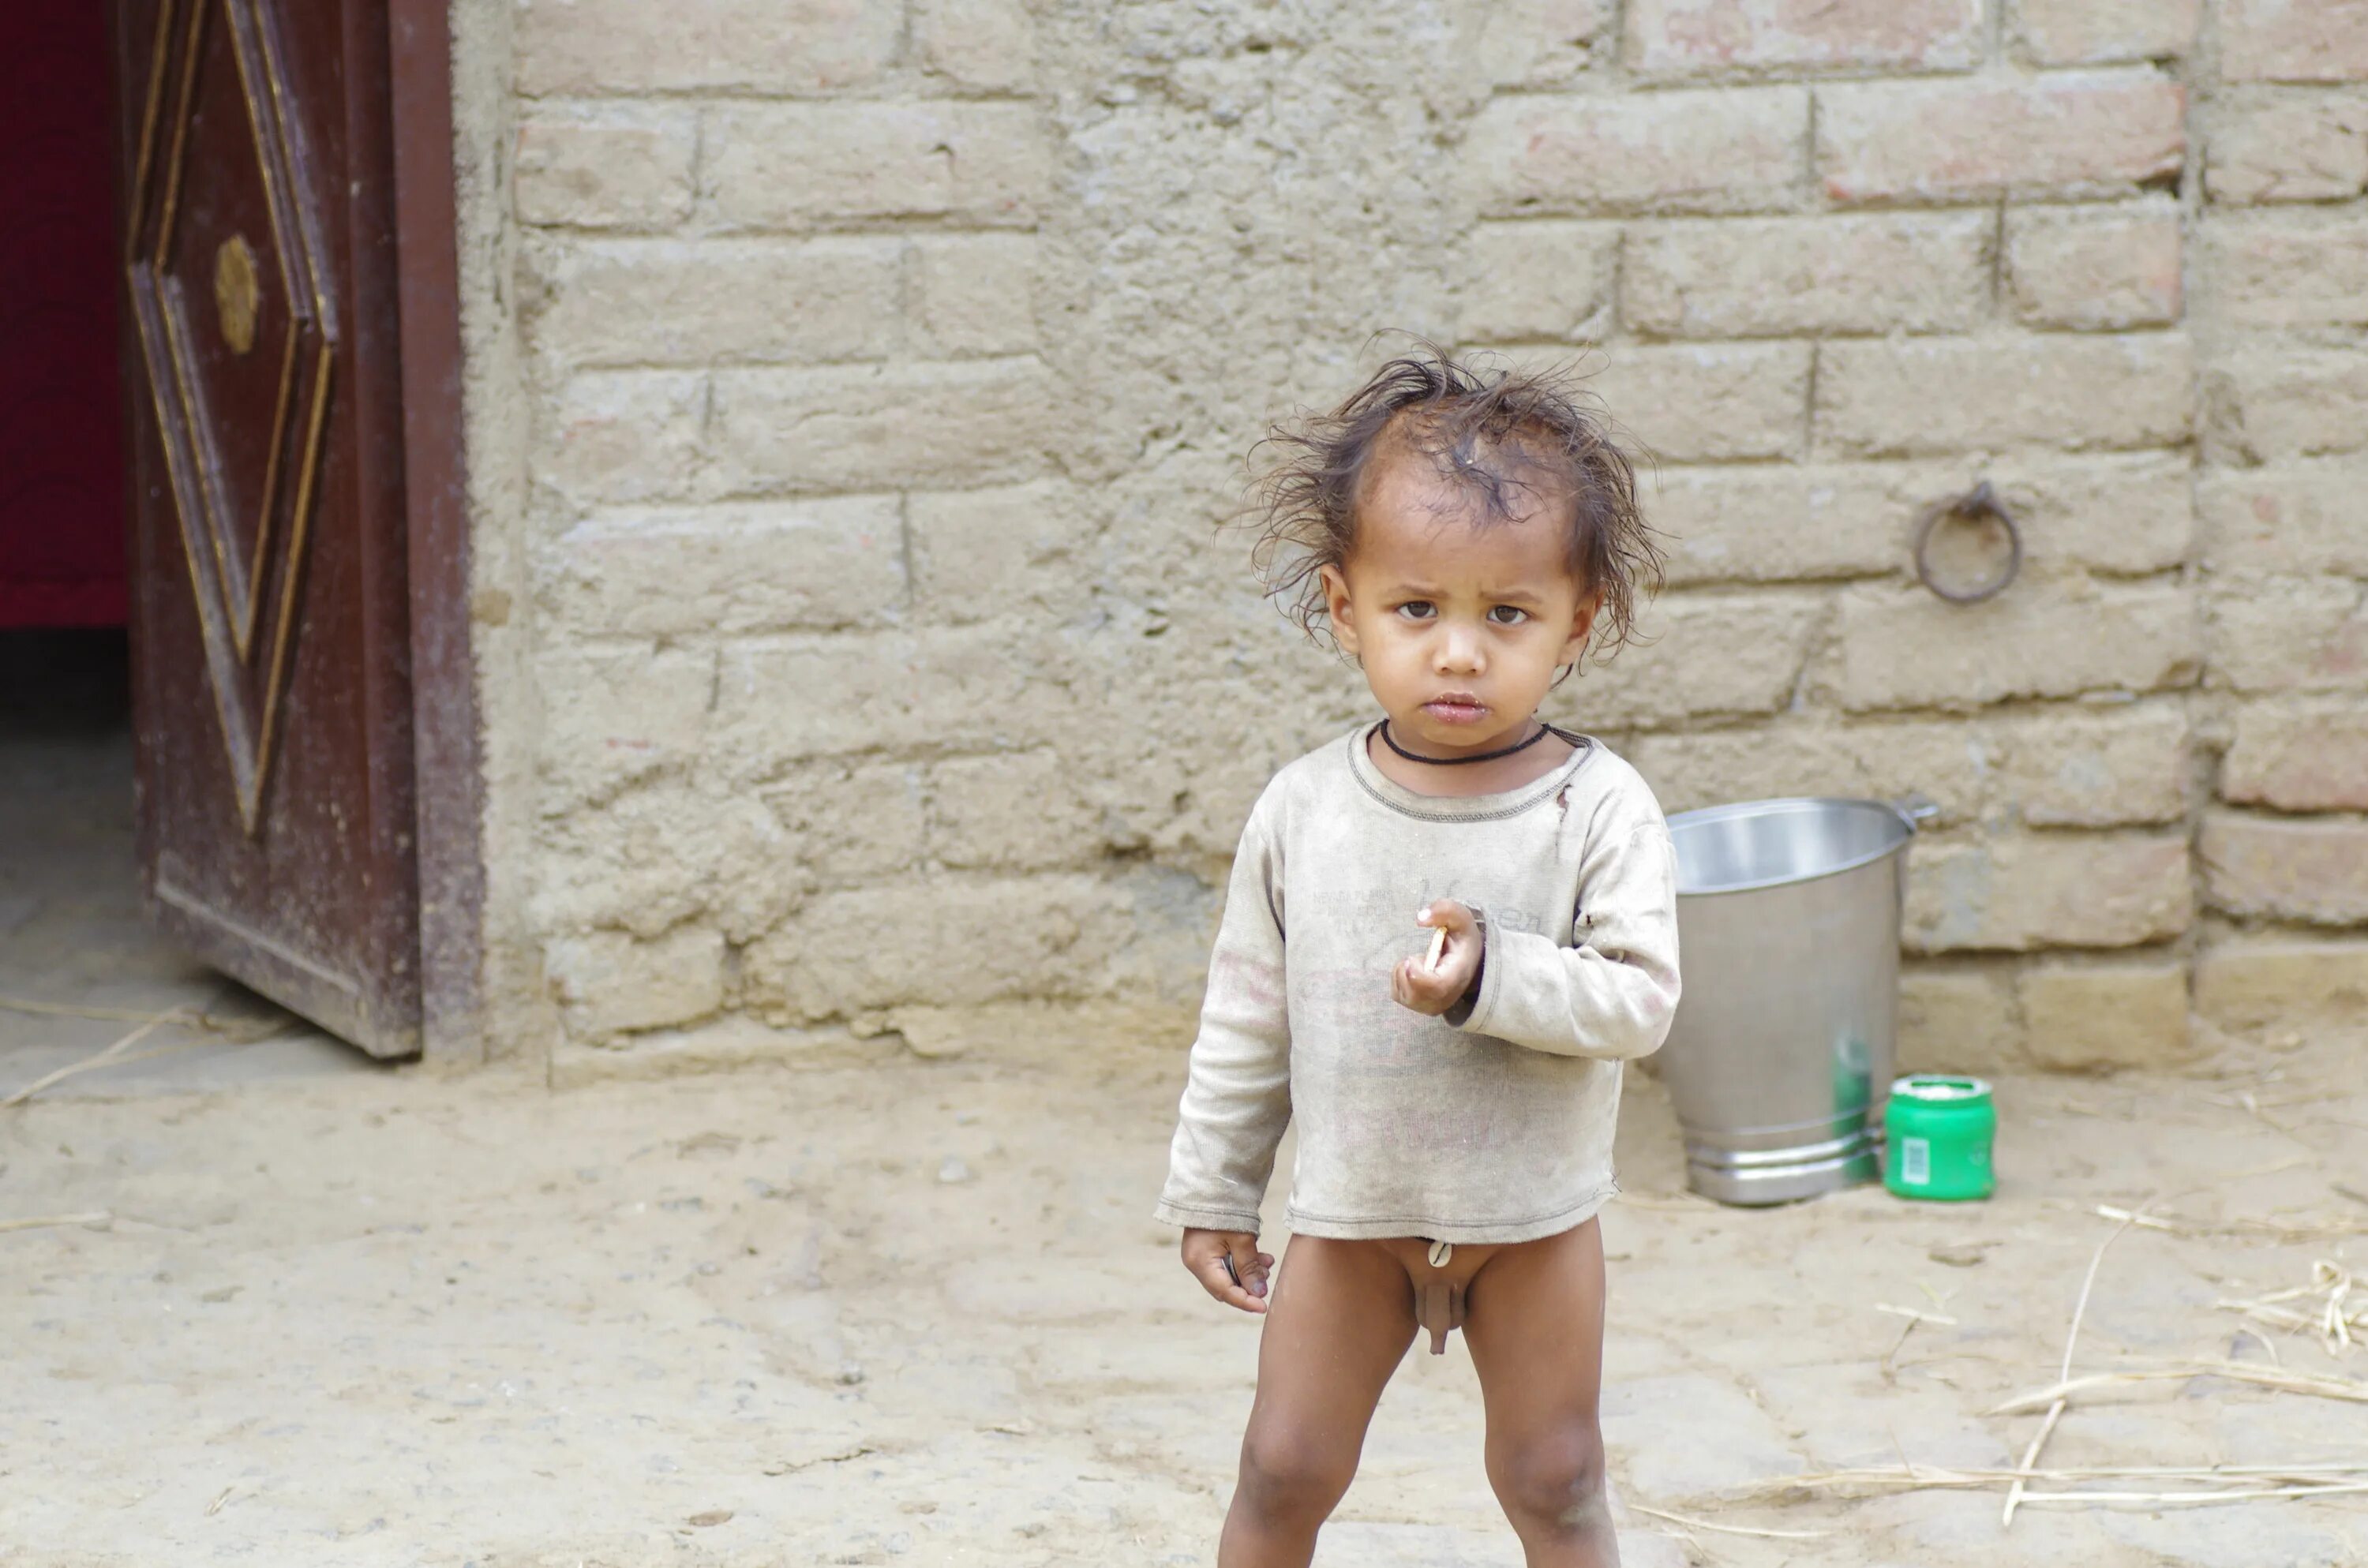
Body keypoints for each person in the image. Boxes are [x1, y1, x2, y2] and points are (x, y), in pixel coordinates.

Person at [1152, 348, 1681, 1567]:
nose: (1458, 653)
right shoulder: (1303, 811)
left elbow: (1640, 999)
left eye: (1507, 615)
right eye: (1416, 610)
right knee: (1282, 1469)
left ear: (1576, 621)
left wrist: (1495, 976)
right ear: (1346, 610)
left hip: (1532, 1222)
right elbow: (1246, 1015)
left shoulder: (1598, 806)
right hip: (1352, 1221)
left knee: (1555, 1481)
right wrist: (1216, 1189)